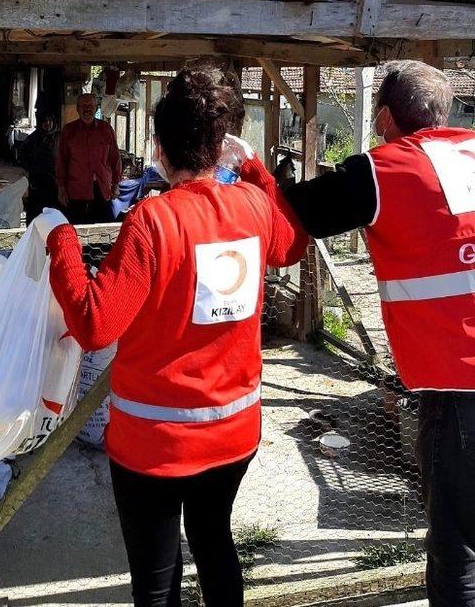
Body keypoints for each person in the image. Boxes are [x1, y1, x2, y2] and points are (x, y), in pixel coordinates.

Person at [35, 69, 307, 607]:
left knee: (157, 582)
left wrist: (60, 239)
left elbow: (94, 324)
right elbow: (292, 244)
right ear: (219, 144)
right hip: (234, 433)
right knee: (215, 544)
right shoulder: (253, 207)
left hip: (153, 447)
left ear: (158, 148)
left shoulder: (152, 221)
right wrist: (252, 167)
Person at [235, 59, 475, 607]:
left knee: (457, 554)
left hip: (460, 395)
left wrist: (253, 170)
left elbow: (286, 223)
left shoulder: (383, 170)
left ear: (386, 117)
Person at [55, 92, 122, 224]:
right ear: (77, 109)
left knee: (103, 232)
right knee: (77, 231)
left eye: (90, 106)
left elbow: (115, 157)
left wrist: (116, 184)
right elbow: (61, 161)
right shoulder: (69, 131)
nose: (87, 109)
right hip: (76, 190)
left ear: (96, 108)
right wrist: (61, 188)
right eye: (83, 106)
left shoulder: (106, 129)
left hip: (102, 189)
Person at [19, 112, 59, 223]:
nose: (47, 124)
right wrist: (31, 167)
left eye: (50, 121)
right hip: (37, 179)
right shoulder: (34, 138)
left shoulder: (59, 137)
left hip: (54, 179)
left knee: (53, 209)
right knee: (35, 209)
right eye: (45, 121)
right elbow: (22, 154)